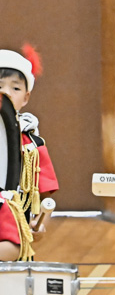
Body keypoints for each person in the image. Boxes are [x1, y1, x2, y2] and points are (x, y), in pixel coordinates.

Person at [0, 46, 57, 226]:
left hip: (16, 226)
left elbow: (45, 197)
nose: (6, 93)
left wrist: (40, 224)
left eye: (15, 88)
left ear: (26, 97)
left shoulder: (32, 146)